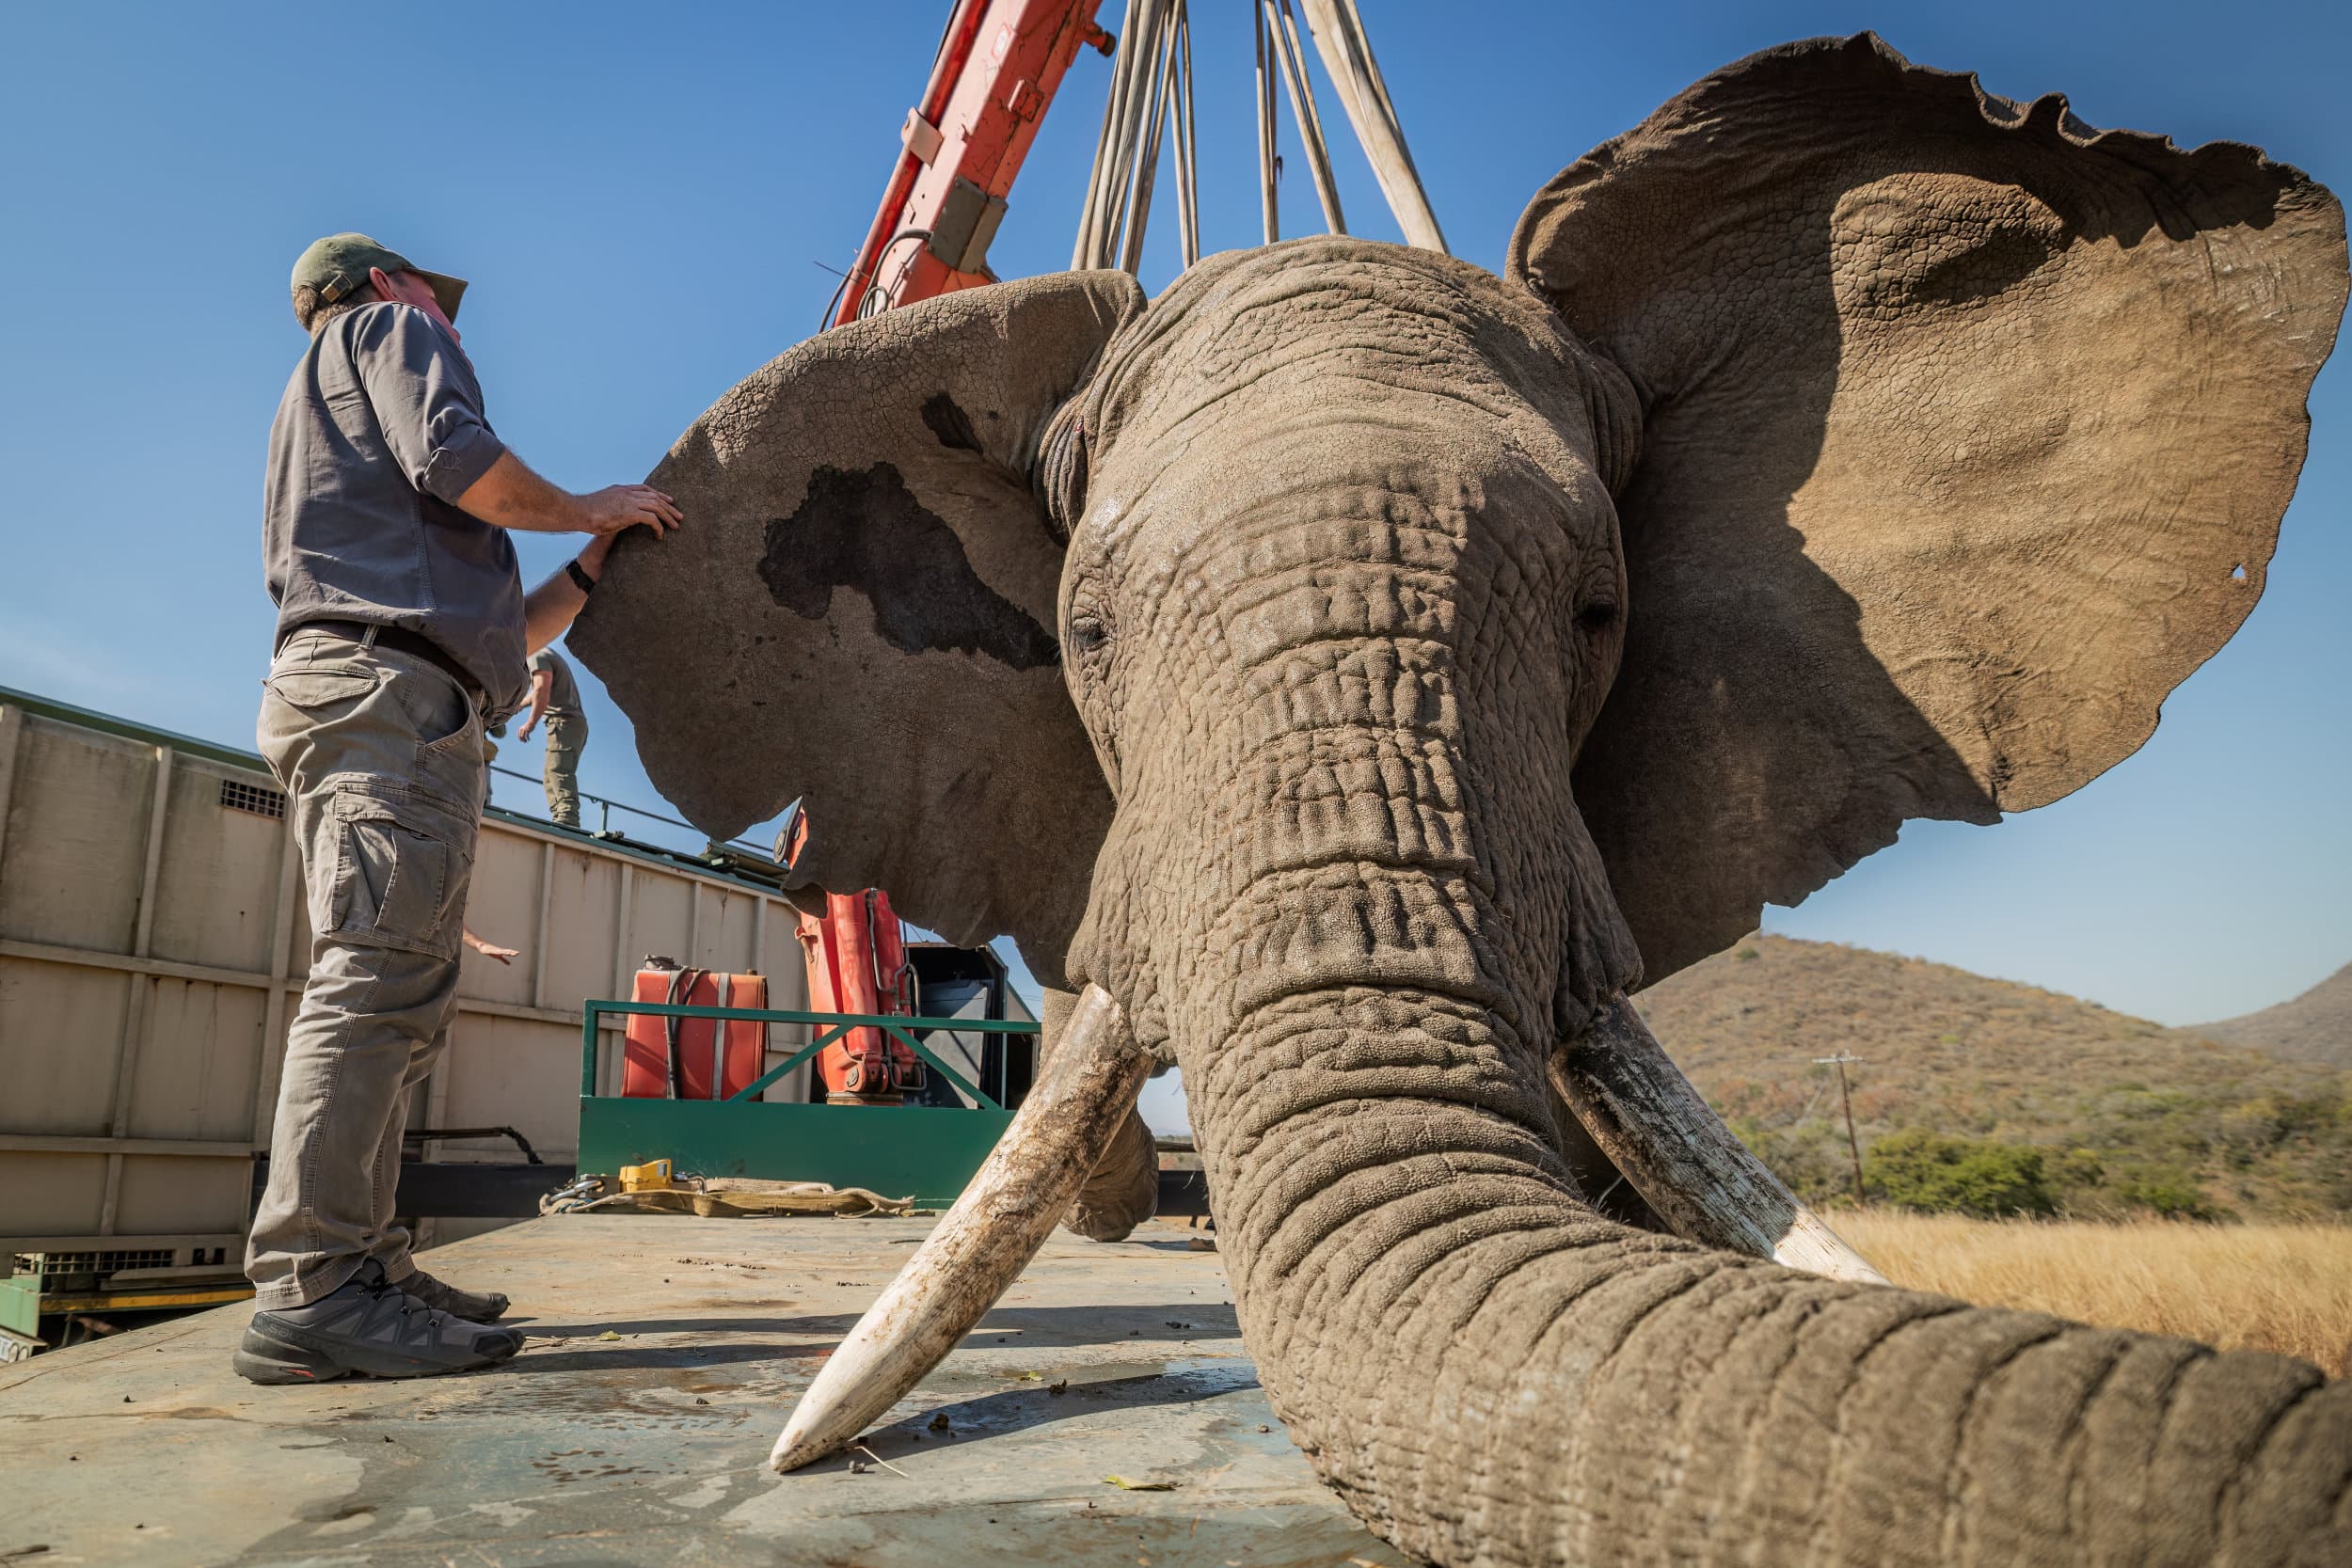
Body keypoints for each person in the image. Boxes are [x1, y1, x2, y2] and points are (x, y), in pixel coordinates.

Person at [241, 232, 681, 1384]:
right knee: (373, 987)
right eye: (433, 294)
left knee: (400, 996)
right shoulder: (387, 332)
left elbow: (496, 633)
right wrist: (584, 497)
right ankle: (315, 1283)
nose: (448, 316)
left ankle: (364, 1265)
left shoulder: (330, 426)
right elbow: (462, 461)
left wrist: (588, 559)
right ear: (386, 284)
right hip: (387, 696)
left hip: (396, 691)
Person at [516, 644, 587, 827]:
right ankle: (561, 817)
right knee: (550, 774)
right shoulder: (544, 653)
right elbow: (539, 690)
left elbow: (541, 689)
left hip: (564, 722)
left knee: (558, 770)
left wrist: (530, 723)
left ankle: (568, 819)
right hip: (570, 723)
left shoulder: (535, 654)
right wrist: (519, 705)